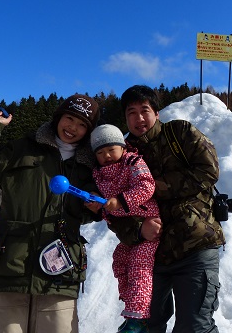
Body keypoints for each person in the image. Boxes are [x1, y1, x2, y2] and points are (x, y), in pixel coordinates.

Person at [0, 94, 141, 333]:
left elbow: (91, 212)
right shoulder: (22, 148)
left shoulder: (90, 166)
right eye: (69, 118)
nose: (72, 128)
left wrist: (94, 210)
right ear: (58, 117)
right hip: (8, 266)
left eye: (82, 125)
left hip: (60, 272)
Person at [117, 85, 226, 333]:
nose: (139, 118)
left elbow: (208, 171)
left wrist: (152, 188)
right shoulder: (123, 155)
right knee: (146, 325)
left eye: (144, 110)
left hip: (195, 246)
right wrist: (136, 230)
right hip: (150, 257)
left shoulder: (180, 132)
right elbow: (115, 208)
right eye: (131, 113)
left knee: (194, 326)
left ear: (156, 112)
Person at [90, 124, 159, 332]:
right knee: (120, 261)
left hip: (149, 223)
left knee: (139, 263)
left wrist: (120, 200)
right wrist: (98, 208)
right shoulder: (98, 174)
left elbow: (147, 186)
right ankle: (130, 306)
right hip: (128, 231)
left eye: (111, 149)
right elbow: (106, 206)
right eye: (101, 152)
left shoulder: (132, 161)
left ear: (122, 147)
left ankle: (138, 318)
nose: (107, 156)